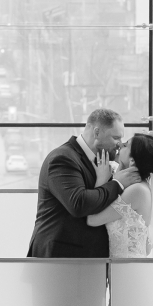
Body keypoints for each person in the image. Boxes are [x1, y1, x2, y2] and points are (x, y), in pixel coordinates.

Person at [26, 108, 141, 258]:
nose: (120, 144)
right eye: (116, 138)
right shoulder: (62, 158)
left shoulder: (104, 163)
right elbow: (78, 203)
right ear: (97, 132)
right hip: (59, 257)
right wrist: (117, 183)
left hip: (90, 259)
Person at [84, 132, 153, 257]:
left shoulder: (137, 191)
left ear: (132, 160)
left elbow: (92, 220)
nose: (120, 144)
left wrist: (101, 180)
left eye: (126, 145)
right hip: (122, 267)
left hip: (128, 268)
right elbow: (147, 247)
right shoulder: (138, 188)